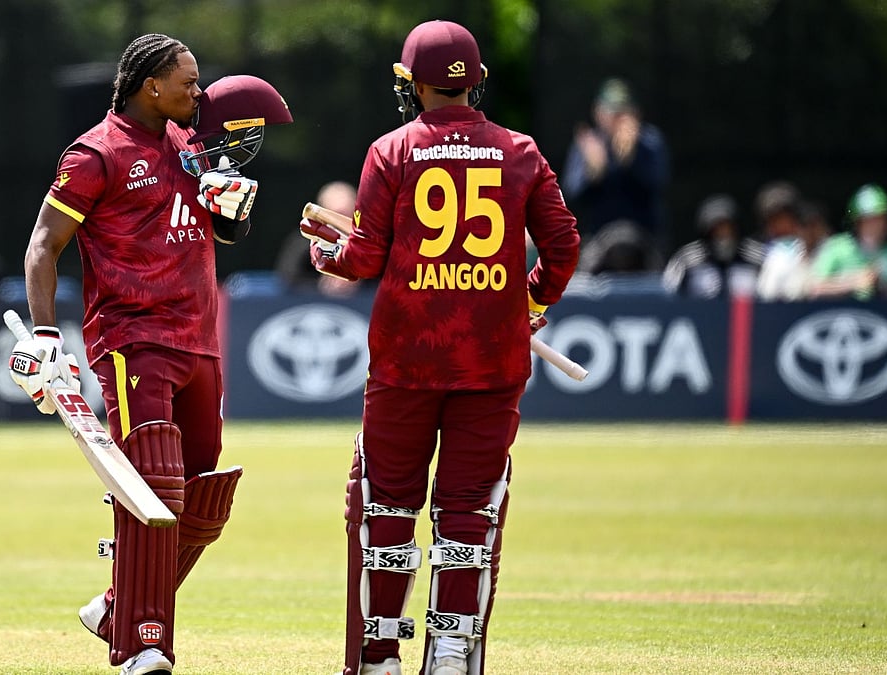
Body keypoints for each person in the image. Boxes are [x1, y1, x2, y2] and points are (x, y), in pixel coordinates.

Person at [6, 33, 291, 675]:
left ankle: (116, 605)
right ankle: (143, 643)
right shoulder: (95, 153)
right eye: (188, 82)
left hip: (199, 338)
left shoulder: (191, 145)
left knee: (202, 494)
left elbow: (215, 228)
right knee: (151, 483)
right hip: (133, 339)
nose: (199, 92)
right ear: (150, 86)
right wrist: (47, 334)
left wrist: (231, 213)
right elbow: (43, 248)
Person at [299, 20, 579, 675]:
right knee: (469, 508)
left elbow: (363, 258)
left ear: (413, 84)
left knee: (387, 504)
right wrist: (531, 303)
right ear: (476, 81)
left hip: (407, 360)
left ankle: (379, 655)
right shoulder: (522, 150)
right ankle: (452, 651)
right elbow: (563, 246)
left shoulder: (391, 151)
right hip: (492, 359)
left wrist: (322, 248)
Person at [561, 78, 670, 256]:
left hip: (646, 241)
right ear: (597, 113)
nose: (617, 119)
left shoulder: (650, 141)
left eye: (623, 112)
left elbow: (658, 184)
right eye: (612, 112)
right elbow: (571, 194)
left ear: (636, 114)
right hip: (598, 242)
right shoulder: (590, 144)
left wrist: (630, 159)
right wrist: (593, 172)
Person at [811, 184, 887, 299]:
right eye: (869, 219)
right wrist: (852, 283)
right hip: (843, 313)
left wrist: (884, 286)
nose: (876, 225)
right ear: (857, 222)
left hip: (884, 314)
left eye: (880, 218)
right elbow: (814, 287)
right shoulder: (837, 247)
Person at [662, 194, 764, 298]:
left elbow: (771, 294)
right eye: (716, 230)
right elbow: (669, 293)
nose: (723, 234)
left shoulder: (757, 256)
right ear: (705, 232)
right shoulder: (686, 259)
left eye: (728, 228)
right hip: (700, 313)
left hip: (746, 313)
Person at [275, 180, 363, 296]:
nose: (340, 220)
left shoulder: (373, 242)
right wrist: (321, 284)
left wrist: (360, 279)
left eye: (346, 214)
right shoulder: (304, 242)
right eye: (335, 214)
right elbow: (287, 278)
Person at [756, 200, 831, 301]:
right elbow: (766, 292)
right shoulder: (781, 252)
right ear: (797, 227)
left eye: (814, 224)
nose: (810, 230)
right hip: (791, 310)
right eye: (805, 225)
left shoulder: (835, 249)